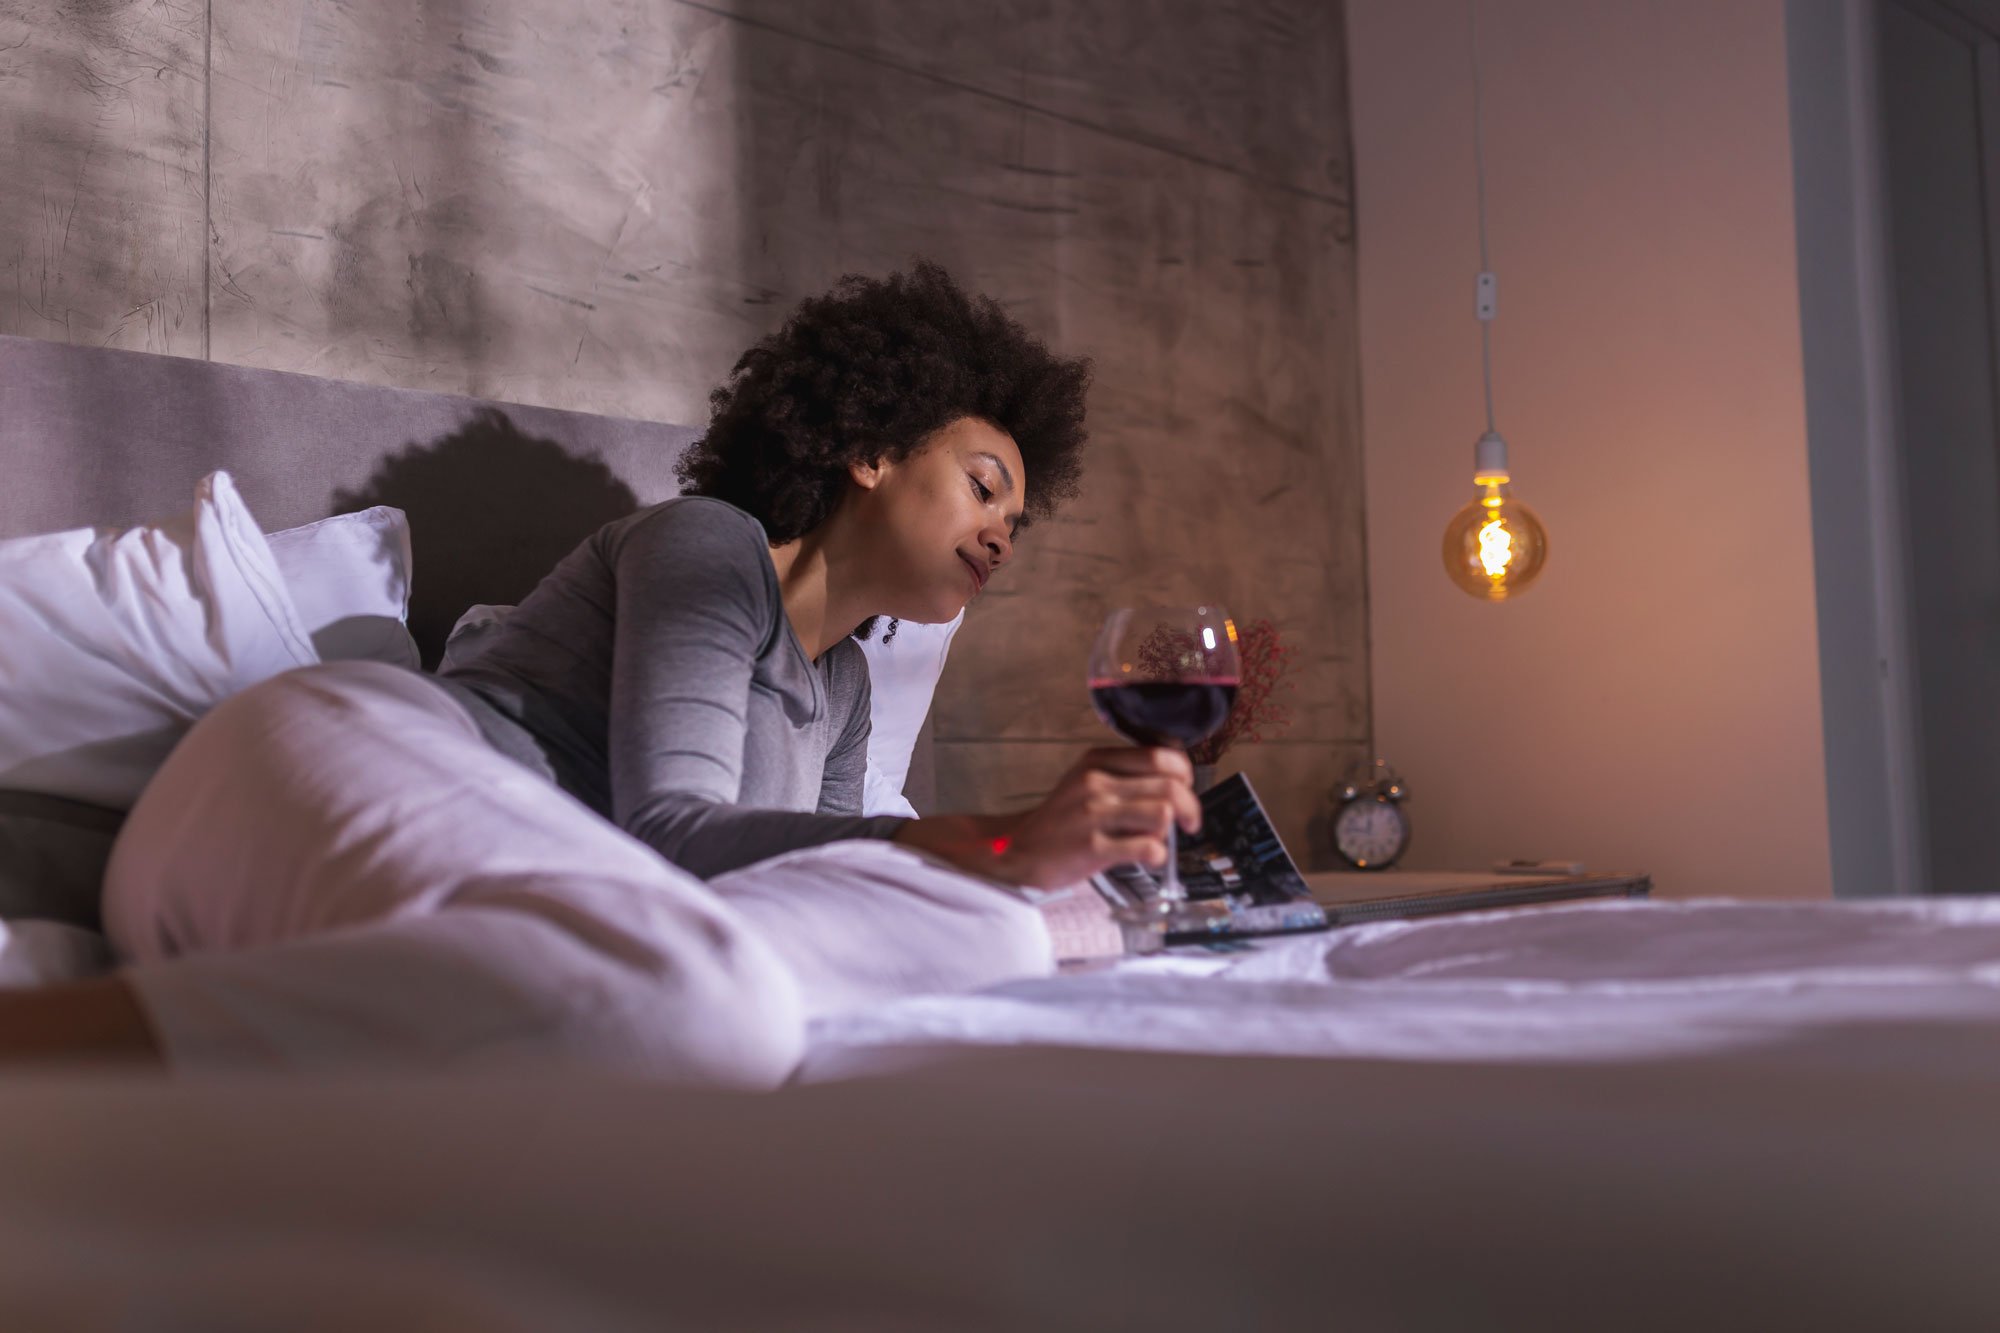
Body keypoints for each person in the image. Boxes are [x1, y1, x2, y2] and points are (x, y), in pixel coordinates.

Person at [0, 262, 1198, 1079]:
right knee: (696, 1001)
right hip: (330, 759)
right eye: (986, 484)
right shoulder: (706, 543)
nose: (1002, 531)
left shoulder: (843, 692)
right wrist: (992, 842)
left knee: (984, 946)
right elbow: (674, 827)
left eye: (1016, 521)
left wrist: (1026, 878)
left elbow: (825, 886)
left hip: (498, 907)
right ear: (868, 450)